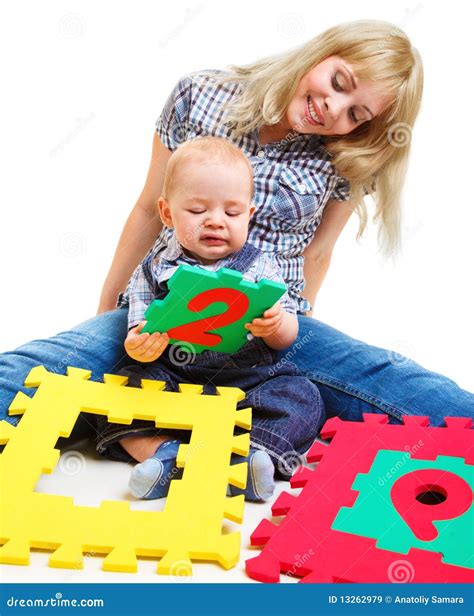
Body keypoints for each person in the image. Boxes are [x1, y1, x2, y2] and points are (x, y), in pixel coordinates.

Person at [1, 20, 472, 454]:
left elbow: (319, 253)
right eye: (338, 82)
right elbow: (149, 209)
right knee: (26, 379)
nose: (334, 109)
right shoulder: (201, 93)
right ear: (321, 53)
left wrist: (285, 334)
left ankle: (239, 442)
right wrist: (107, 315)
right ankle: (157, 436)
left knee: (416, 396)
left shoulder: (345, 156)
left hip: (264, 329)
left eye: (357, 113)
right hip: (163, 316)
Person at [93, 135, 325, 502]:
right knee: (115, 399)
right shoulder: (153, 268)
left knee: (302, 396)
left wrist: (277, 326)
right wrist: (141, 348)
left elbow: (288, 334)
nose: (216, 222)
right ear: (168, 214)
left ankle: (245, 460)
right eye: (198, 211)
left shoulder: (262, 265)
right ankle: (164, 456)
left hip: (245, 380)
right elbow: (137, 331)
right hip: (172, 375)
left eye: (231, 213)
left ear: (248, 215)